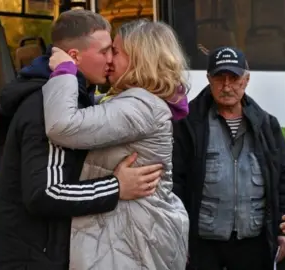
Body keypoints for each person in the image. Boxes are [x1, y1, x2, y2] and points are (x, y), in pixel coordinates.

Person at [0, 10, 163, 270]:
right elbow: (44, 193)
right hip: (33, 258)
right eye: (104, 52)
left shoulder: (74, 97)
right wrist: (116, 187)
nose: (111, 60)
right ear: (73, 57)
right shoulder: (48, 107)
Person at [41, 19, 190, 269]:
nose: (109, 58)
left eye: (116, 51)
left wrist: (66, 71)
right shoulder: (139, 102)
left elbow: (62, 126)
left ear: (139, 59)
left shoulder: (141, 106)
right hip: (132, 234)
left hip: (131, 239)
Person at [172, 46, 285, 270]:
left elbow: (284, 180)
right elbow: (176, 183)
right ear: (209, 79)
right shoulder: (189, 125)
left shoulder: (267, 125)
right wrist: (180, 236)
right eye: (220, 78)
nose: (226, 86)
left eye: (234, 78)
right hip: (202, 243)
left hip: (254, 242)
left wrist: (282, 231)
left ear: (246, 81)